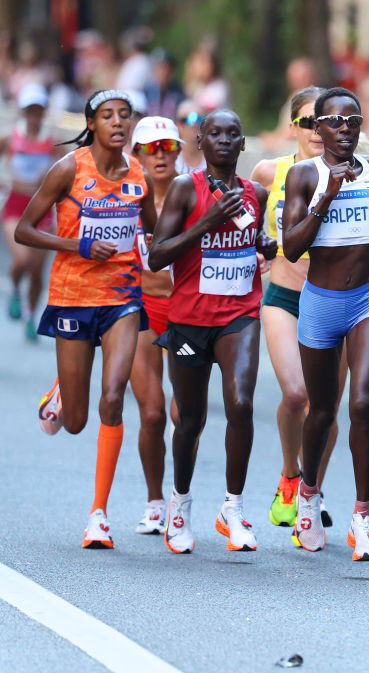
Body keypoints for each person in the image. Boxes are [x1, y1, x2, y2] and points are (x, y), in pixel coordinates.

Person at [282, 87, 369, 559]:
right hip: (322, 302)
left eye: (353, 121)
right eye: (335, 122)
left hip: (368, 297)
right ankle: (308, 492)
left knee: (362, 402)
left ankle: (362, 514)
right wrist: (328, 193)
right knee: (322, 411)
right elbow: (292, 246)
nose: (344, 129)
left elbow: (366, 213)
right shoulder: (304, 175)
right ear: (317, 129)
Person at [18, 89, 157, 549]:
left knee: (113, 399)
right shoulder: (69, 169)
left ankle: (98, 515)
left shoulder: (139, 175)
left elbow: (152, 233)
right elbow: (25, 230)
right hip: (73, 297)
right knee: (76, 421)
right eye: (107, 116)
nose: (118, 123)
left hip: (122, 297)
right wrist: (76, 245)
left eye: (125, 116)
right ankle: (61, 390)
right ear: (92, 124)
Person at [148, 109, 275, 554]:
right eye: (215, 133)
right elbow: (157, 256)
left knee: (241, 404)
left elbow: (257, 243)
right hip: (188, 319)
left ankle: (233, 508)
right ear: (200, 141)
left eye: (233, 134)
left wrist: (265, 246)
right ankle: (179, 504)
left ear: (243, 145)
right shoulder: (186, 189)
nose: (224, 140)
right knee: (191, 418)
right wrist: (207, 221)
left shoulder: (256, 193)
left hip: (240, 315)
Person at [250, 86, 341, 534]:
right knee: (297, 394)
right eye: (308, 121)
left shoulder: (353, 174)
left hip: (335, 300)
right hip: (285, 297)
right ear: (294, 128)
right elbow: (244, 220)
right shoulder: (270, 172)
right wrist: (255, 250)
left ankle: (312, 491)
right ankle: (290, 474)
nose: (318, 130)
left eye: (326, 120)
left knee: (327, 406)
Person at [128, 115, 183, 535]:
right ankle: (154, 500)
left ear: (179, 151)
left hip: (186, 309)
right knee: (152, 413)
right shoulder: (126, 198)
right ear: (137, 155)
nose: (159, 155)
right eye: (149, 148)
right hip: (142, 308)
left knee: (185, 415)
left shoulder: (195, 194)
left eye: (167, 147)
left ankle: (180, 498)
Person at [2, 83, 57, 340]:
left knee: (36, 271)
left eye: (38, 110)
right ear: (24, 112)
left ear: (43, 111)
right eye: (30, 110)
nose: (34, 115)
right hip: (15, 204)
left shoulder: (51, 141)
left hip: (41, 208)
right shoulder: (11, 137)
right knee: (22, 260)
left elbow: (66, 167)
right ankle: (14, 289)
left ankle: (29, 316)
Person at [144, 49, 186, 120]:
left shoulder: (178, 93)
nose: (164, 72)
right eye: (160, 67)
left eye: (167, 68)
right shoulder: (145, 92)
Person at [174, 100, 206, 175]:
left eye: (199, 119)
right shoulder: (170, 160)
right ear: (177, 125)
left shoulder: (214, 158)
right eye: (186, 120)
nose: (193, 125)